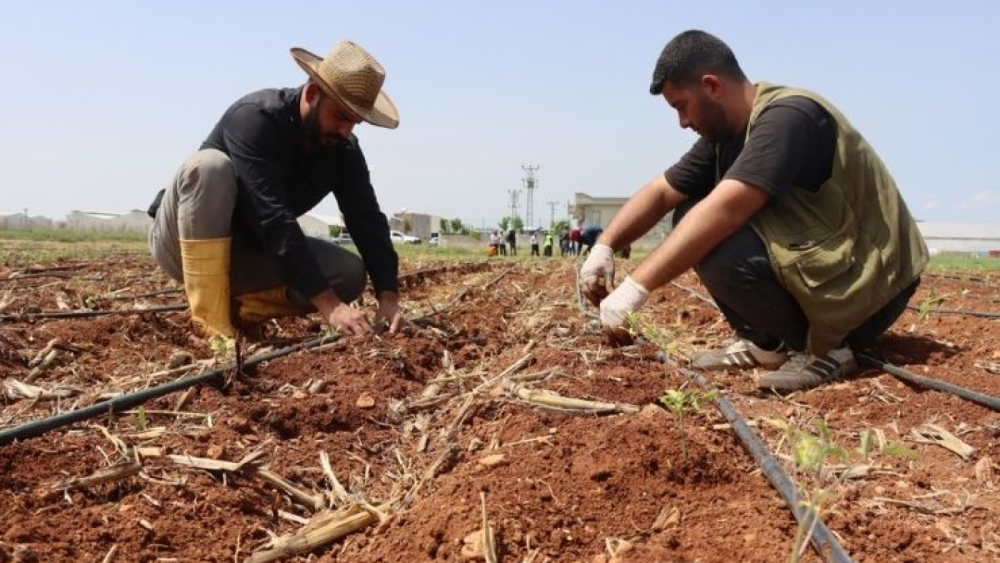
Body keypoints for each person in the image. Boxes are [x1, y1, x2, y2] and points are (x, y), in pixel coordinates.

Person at [579, 30, 927, 393]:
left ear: (712, 86)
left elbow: (728, 209)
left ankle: (827, 350)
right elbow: (662, 191)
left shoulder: (789, 116)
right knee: (688, 214)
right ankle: (768, 345)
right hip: (834, 267)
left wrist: (635, 289)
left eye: (681, 106)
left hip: (876, 283)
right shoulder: (724, 138)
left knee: (714, 237)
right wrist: (604, 246)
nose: (682, 122)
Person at [147, 40, 406, 339]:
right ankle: (210, 325)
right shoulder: (255, 118)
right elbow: (274, 217)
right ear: (312, 94)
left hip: (247, 250)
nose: (346, 131)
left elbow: (367, 220)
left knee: (348, 273)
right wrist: (330, 306)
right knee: (209, 167)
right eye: (341, 117)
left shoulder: (342, 149)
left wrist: (389, 298)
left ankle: (238, 311)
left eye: (355, 123)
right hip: (182, 243)